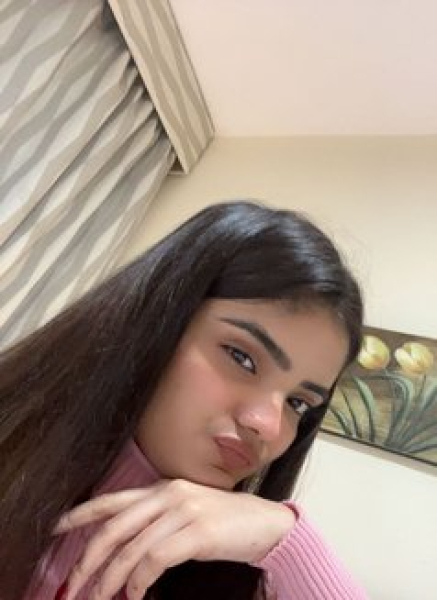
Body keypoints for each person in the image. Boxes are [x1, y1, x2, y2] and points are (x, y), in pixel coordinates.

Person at [0, 200, 368, 600]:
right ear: (157, 320)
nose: (267, 424)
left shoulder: (245, 576)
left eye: (298, 403)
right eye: (241, 357)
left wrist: (289, 541)